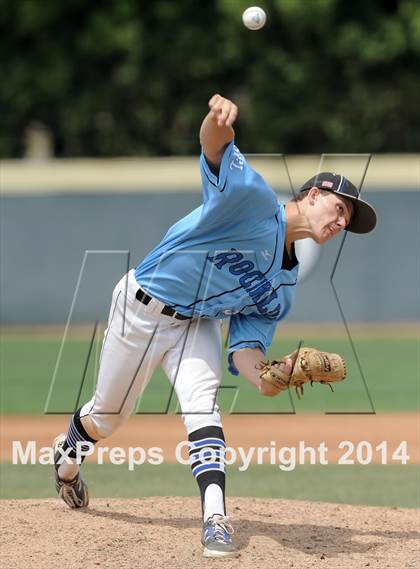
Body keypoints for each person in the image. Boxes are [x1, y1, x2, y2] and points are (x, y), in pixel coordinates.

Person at [53, 94, 377, 557]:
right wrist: (216, 120)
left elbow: (251, 364)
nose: (343, 221)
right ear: (313, 194)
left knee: (203, 407)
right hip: (141, 307)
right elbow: (214, 147)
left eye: (349, 219)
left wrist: (280, 375)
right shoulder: (251, 199)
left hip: (196, 324)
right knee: (108, 416)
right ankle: (66, 459)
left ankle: (216, 517)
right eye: (341, 208)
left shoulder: (281, 291)